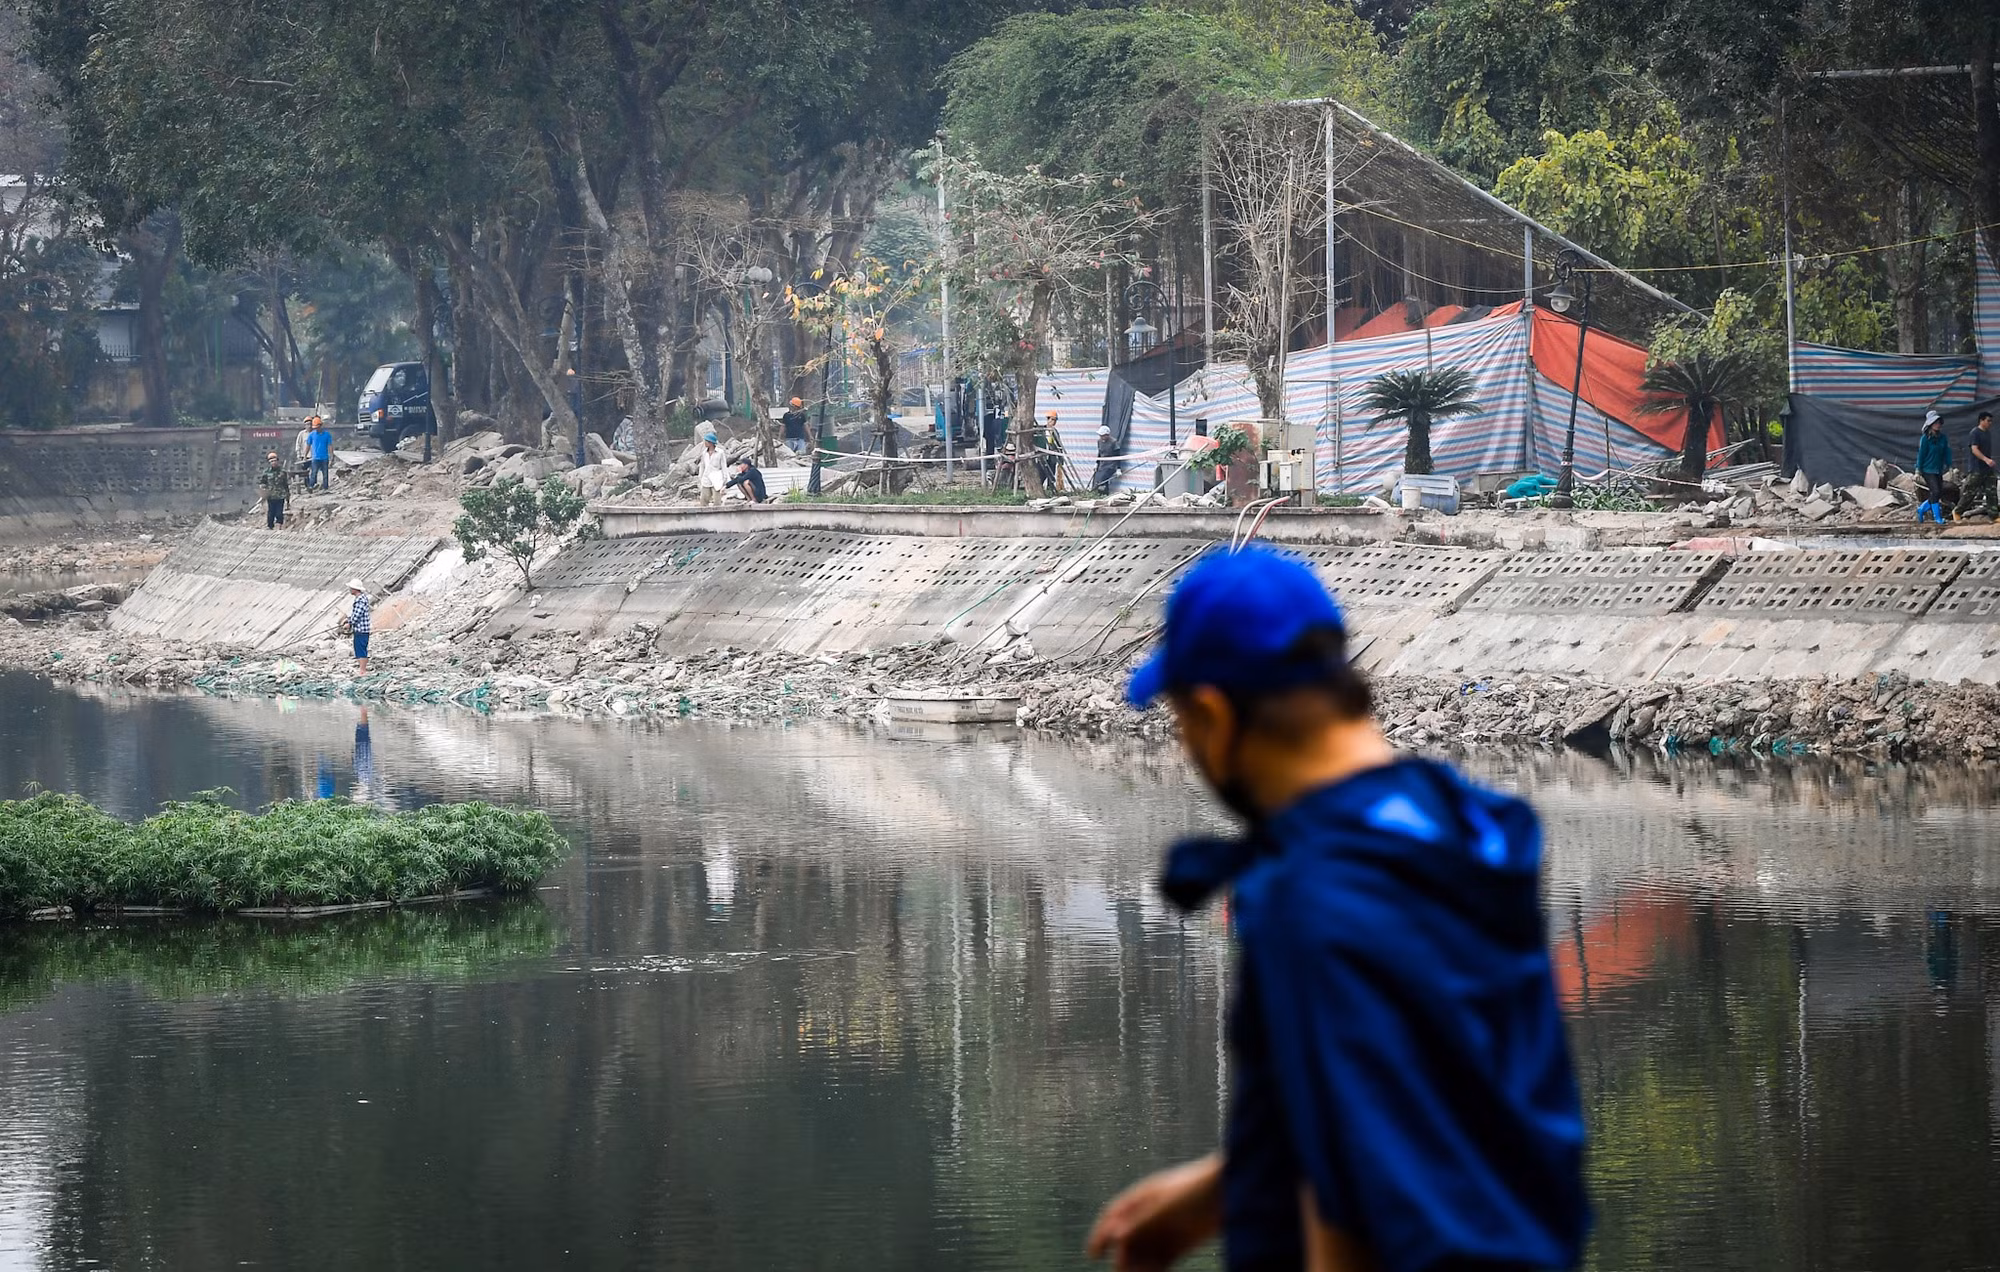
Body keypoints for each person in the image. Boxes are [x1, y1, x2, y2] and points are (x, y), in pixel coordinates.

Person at [1087, 545, 1589, 1272]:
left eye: (1179, 723)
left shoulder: (1313, 902)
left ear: (1212, 714)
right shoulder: (1457, 823)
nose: (1185, 747)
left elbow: (1364, 1210)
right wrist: (1224, 1192)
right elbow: (1430, 1097)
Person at [1955, 410, 1997, 521]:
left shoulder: (1987, 433)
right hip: (1977, 468)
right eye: (1988, 421)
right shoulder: (1975, 433)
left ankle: (1994, 514)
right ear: (1981, 420)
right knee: (1970, 492)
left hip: (1987, 469)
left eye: (1991, 421)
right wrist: (1986, 459)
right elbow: (1974, 449)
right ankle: (1957, 511)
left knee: (1991, 491)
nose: (1990, 423)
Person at [1916, 410, 1951, 524]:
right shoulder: (1925, 439)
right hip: (1927, 469)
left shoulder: (1943, 438)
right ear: (1930, 424)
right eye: (1935, 422)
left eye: (1939, 422)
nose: (1938, 425)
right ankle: (1937, 518)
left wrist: (1949, 465)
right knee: (1935, 491)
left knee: (1938, 492)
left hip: (1938, 469)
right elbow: (1921, 455)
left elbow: (1946, 452)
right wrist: (1918, 469)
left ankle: (1922, 509)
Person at [258, 451, 291, 529]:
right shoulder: (266, 472)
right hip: (271, 496)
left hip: (280, 496)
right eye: (271, 461)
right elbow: (262, 483)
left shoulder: (282, 472)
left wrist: (288, 496)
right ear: (269, 463)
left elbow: (285, 484)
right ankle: (270, 527)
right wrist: (263, 491)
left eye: (275, 461)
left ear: (277, 461)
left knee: (279, 513)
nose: (273, 463)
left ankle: (279, 526)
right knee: (271, 513)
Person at [697, 431, 729, 506]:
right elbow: (702, 466)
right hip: (706, 478)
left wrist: (725, 478)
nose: (704, 443)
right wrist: (700, 476)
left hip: (716, 479)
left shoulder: (720, 452)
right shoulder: (704, 453)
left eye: (706, 441)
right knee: (704, 499)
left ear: (710, 442)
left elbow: (724, 466)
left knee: (717, 500)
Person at [346, 578, 371, 673]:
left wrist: (349, 623)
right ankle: (362, 669)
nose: (349, 589)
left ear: (355, 589)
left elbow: (357, 615)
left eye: (351, 588)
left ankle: (362, 670)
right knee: (360, 649)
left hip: (361, 630)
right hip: (362, 629)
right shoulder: (362, 598)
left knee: (361, 650)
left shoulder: (360, 600)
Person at [306, 415, 333, 492]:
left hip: (324, 457)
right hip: (315, 458)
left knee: (325, 474)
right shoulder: (311, 435)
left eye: (317, 427)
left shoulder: (327, 435)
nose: (316, 429)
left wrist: (331, 456)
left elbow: (330, 445)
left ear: (321, 426)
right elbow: (308, 445)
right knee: (313, 473)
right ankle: (311, 486)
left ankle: (325, 487)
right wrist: (305, 455)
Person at [1092, 423, 1120, 495]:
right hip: (1102, 464)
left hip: (1111, 465)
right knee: (1099, 479)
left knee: (1102, 479)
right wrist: (1096, 463)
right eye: (1100, 435)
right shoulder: (1099, 442)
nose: (1101, 437)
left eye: (1103, 435)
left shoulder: (1113, 442)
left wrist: (1118, 468)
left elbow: (1118, 456)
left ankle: (1102, 493)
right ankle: (1103, 494)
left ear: (1107, 435)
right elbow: (1100, 453)